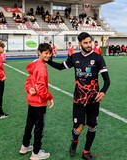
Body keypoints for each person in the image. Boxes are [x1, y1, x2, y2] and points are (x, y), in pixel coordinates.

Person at [46, 32, 110, 160]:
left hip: (93, 100)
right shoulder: (74, 57)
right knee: (78, 128)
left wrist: (102, 91)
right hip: (79, 99)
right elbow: (60, 67)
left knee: (92, 126)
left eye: (89, 42)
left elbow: (107, 80)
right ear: (79, 43)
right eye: (85, 43)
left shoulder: (98, 58)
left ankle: (86, 152)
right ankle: (75, 141)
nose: (88, 45)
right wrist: (48, 60)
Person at [20, 43, 54, 160]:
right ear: (39, 52)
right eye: (46, 53)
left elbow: (28, 81)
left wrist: (29, 89)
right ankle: (36, 152)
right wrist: (50, 97)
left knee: (29, 124)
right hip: (39, 102)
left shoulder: (35, 65)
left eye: (49, 53)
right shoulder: (41, 67)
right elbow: (41, 88)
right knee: (39, 127)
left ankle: (24, 146)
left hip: (32, 101)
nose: (48, 56)